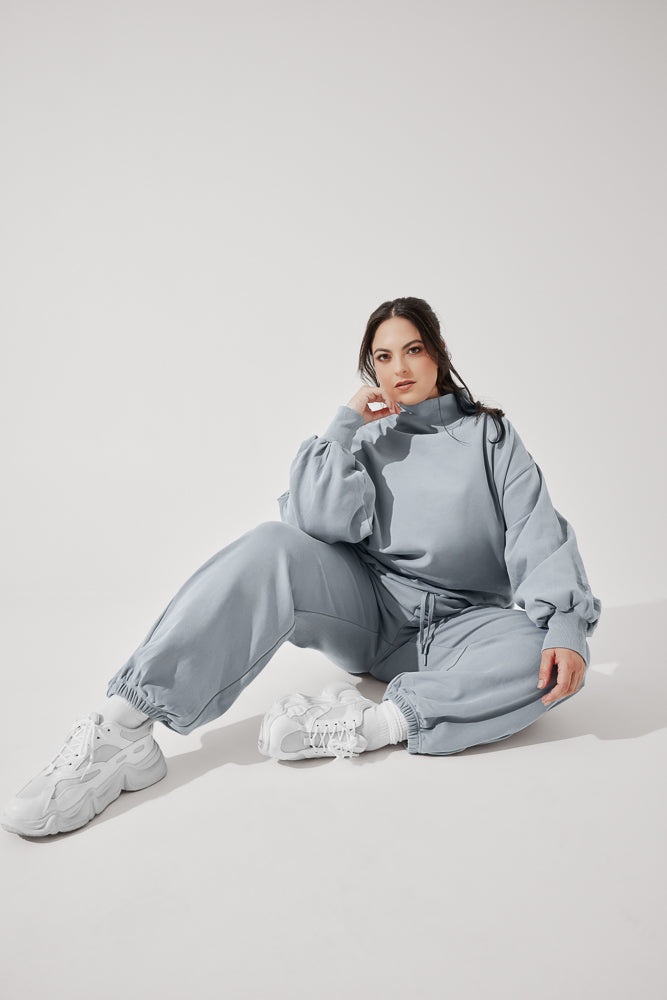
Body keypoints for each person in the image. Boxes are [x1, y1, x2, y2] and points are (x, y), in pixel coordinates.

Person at [1, 296, 602, 837]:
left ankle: (369, 725)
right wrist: (344, 426)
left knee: (545, 652)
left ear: (438, 352)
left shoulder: (490, 437)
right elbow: (311, 524)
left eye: (413, 350)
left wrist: (567, 623)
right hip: (370, 613)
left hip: (462, 628)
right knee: (271, 543)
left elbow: (536, 530)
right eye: (383, 357)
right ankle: (123, 730)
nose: (399, 368)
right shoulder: (368, 440)